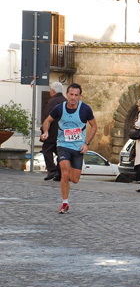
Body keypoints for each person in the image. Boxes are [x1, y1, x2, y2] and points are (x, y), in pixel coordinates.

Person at [41, 83, 97, 214]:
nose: (73, 97)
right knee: (64, 174)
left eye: (76, 95)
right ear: (67, 94)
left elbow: (94, 126)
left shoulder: (85, 109)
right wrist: (46, 132)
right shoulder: (59, 108)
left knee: (75, 179)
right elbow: (47, 121)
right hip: (63, 145)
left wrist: (87, 143)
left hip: (78, 147)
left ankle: (68, 179)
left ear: (80, 96)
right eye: (71, 94)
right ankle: (65, 203)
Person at [40, 82, 67, 181]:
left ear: (53, 91)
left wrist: (44, 131)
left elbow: (47, 118)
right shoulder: (65, 101)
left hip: (52, 132)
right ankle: (60, 173)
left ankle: (52, 170)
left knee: (46, 149)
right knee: (60, 152)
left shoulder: (52, 102)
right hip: (64, 133)